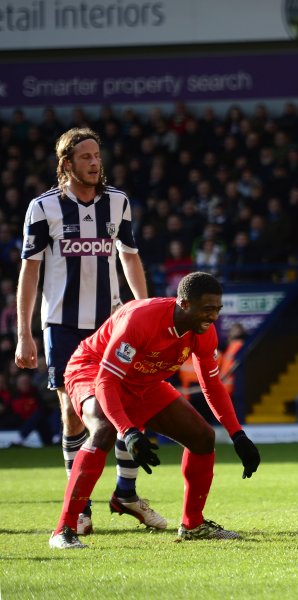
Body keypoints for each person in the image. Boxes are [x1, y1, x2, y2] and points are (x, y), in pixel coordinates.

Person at [15, 127, 162, 534]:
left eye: (97, 155)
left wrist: (143, 309)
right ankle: (79, 508)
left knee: (126, 404)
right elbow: (30, 272)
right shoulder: (42, 208)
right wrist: (23, 333)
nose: (95, 163)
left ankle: (126, 493)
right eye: (85, 157)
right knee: (73, 416)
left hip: (111, 323)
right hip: (61, 324)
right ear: (66, 164)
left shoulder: (118, 202)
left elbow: (130, 257)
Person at [49, 272, 261, 549]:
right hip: (93, 370)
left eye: (217, 310)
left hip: (143, 381)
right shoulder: (141, 319)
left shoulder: (203, 333)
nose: (213, 317)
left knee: (203, 438)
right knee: (103, 430)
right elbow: (107, 380)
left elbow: (212, 385)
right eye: (208, 309)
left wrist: (238, 435)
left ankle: (193, 525)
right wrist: (129, 431)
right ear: (184, 303)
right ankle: (63, 530)